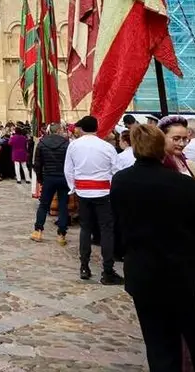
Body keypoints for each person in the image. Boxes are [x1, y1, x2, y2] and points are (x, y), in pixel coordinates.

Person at [110, 125, 195, 372]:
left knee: (159, 344)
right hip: (186, 274)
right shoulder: (184, 185)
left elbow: (118, 224)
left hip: (143, 271)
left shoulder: (121, 181)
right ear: (162, 149)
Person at [64, 116, 122, 284]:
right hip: (103, 191)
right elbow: (116, 170)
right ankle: (108, 270)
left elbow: (68, 169)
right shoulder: (107, 146)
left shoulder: (74, 145)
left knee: (85, 229)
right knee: (106, 230)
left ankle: (84, 266)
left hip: (83, 191)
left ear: (82, 129)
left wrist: (73, 188)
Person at [30, 123, 70, 245]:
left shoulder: (42, 143)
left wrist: (40, 179)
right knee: (63, 206)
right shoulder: (66, 143)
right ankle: (61, 234)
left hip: (48, 177)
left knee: (43, 205)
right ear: (59, 131)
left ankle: (38, 231)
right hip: (63, 177)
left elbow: (37, 164)